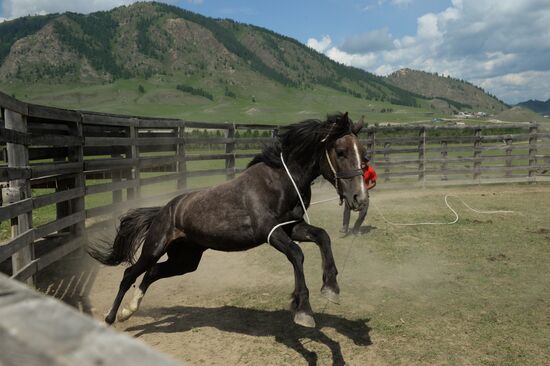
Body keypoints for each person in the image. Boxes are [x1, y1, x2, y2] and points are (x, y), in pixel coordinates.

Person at [340, 154, 377, 235]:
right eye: (363, 160)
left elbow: (374, 183)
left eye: (366, 160)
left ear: (368, 161)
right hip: (352, 192)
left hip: (363, 193)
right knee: (347, 207)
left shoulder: (371, 171)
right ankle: (345, 226)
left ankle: (356, 229)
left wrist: (365, 189)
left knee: (364, 212)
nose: (364, 162)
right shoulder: (354, 169)